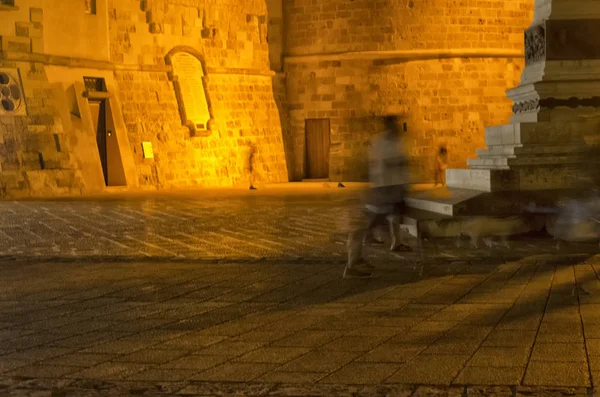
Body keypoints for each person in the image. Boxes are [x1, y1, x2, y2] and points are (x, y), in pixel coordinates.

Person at [344, 115, 413, 279]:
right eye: (394, 124)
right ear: (389, 125)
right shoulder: (380, 142)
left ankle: (358, 260)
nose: (397, 127)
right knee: (362, 225)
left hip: (389, 189)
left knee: (372, 222)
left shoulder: (393, 142)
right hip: (382, 189)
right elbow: (383, 164)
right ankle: (353, 264)